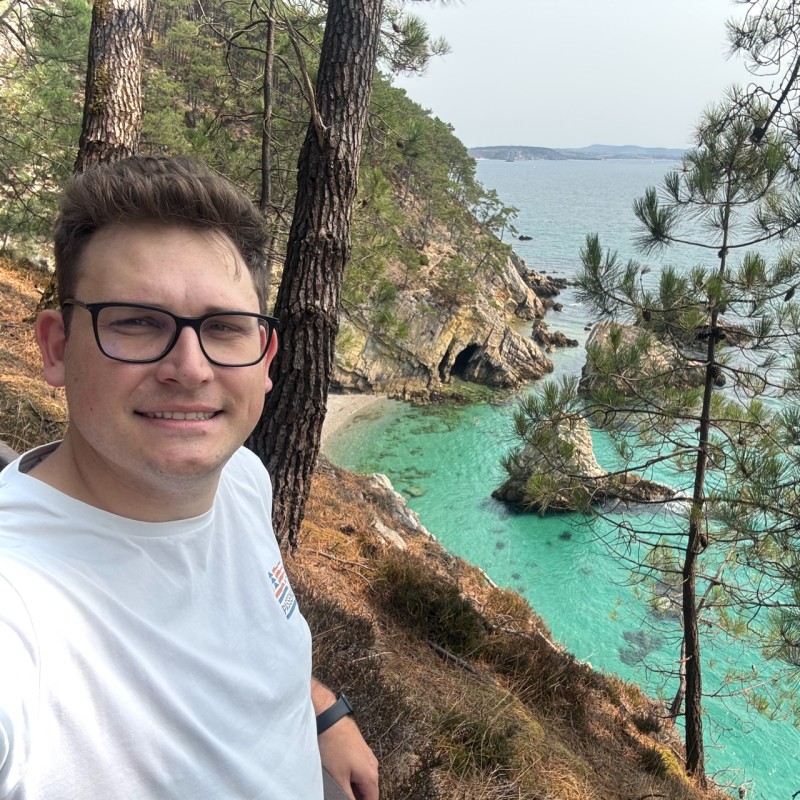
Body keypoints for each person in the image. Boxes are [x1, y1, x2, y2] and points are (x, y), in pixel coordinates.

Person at [0, 156, 379, 799]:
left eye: (224, 328)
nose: (190, 367)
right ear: (58, 348)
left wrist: (318, 709)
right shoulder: (20, 611)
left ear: (264, 359)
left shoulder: (242, 482)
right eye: (137, 322)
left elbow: (240, 634)